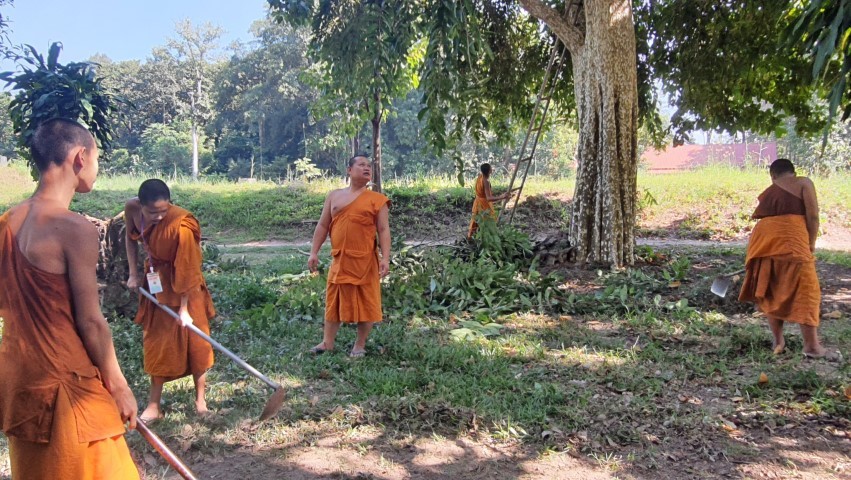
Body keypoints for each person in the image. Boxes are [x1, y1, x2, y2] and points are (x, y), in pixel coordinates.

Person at [0, 118, 140, 478]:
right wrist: (119, 386)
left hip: (18, 381)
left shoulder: (6, 223)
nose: (97, 167)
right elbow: (91, 322)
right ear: (80, 157)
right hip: (67, 386)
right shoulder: (73, 228)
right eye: (97, 158)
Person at [125, 179, 215, 421]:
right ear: (140, 205)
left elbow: (188, 266)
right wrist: (133, 273)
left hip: (187, 286)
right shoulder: (131, 209)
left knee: (198, 343)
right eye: (152, 212)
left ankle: (201, 401)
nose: (159, 217)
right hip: (156, 283)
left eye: (163, 211)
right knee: (157, 342)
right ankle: (154, 406)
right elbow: (130, 239)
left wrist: (184, 309)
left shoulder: (182, 224)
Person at [739, 159, 827, 357]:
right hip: (792, 240)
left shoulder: (770, 190)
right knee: (807, 290)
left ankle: (778, 341)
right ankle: (812, 347)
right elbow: (813, 216)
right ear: (793, 172)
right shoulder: (803, 182)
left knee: (772, 287)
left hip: (764, 241)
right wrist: (811, 242)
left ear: (773, 176)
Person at [307, 154, 391, 357]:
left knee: (367, 302)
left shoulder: (377, 199)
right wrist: (314, 252)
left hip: (365, 261)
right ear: (349, 170)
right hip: (340, 259)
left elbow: (383, 230)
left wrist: (385, 258)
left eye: (369, 165)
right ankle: (327, 342)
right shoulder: (334, 196)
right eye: (361, 164)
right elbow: (323, 225)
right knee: (333, 300)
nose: (367, 168)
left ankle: (359, 345)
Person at [468, 163, 511, 238]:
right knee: (488, 221)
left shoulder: (480, 177)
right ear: (489, 171)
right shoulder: (486, 181)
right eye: (491, 168)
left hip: (477, 202)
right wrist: (501, 197)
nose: (492, 169)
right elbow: (488, 198)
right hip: (484, 204)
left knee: (476, 220)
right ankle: (488, 237)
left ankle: (473, 237)